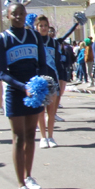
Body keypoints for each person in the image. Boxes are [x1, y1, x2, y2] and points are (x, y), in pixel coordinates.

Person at [0, 2, 47, 189]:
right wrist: (22, 86)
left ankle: (28, 175)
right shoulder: (2, 39)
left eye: (21, 13)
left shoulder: (34, 36)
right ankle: (20, 186)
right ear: (8, 16)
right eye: (14, 14)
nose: (18, 16)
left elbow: (42, 63)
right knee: (18, 137)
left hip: (33, 90)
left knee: (31, 134)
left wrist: (39, 83)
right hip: (15, 92)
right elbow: (1, 73)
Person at [33, 16, 62, 148]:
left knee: (51, 110)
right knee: (40, 110)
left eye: (45, 25)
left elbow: (57, 63)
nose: (44, 28)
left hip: (52, 78)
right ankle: (43, 137)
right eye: (41, 26)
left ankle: (51, 136)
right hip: (39, 79)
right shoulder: (33, 42)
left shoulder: (54, 43)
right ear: (36, 27)